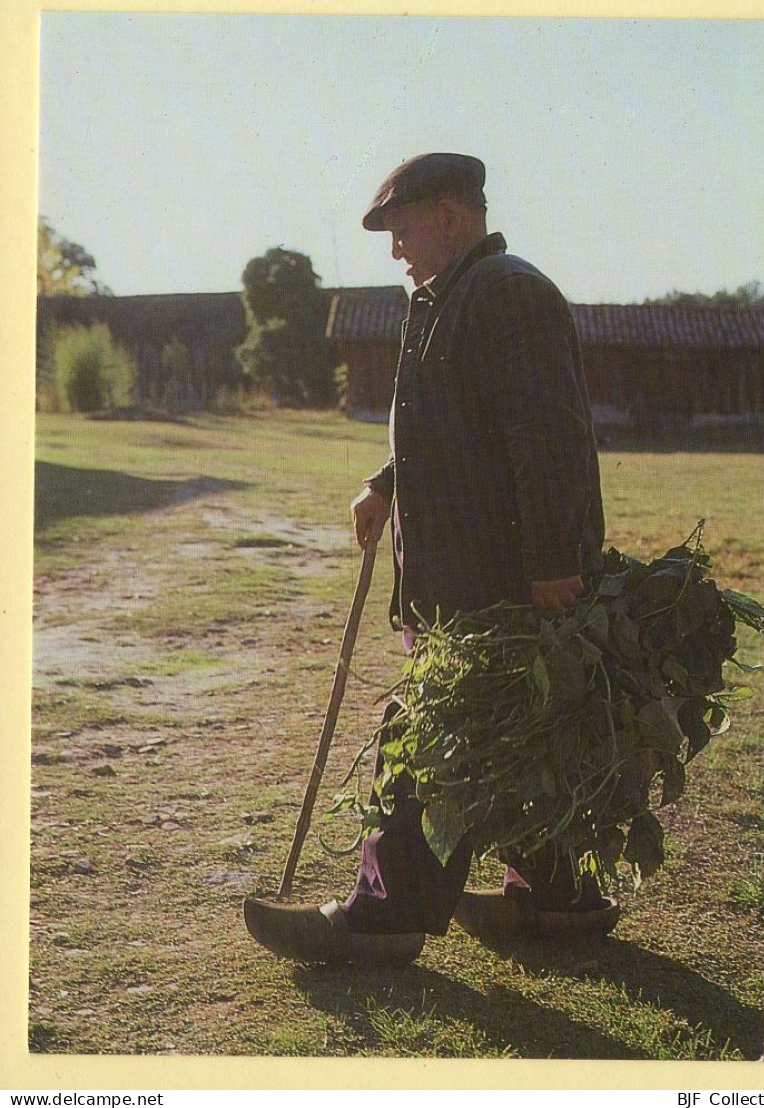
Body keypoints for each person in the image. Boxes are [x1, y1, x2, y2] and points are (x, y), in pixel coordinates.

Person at [244, 153, 613, 967]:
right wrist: (384, 483)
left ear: (451, 215)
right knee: (524, 731)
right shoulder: (447, 300)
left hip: (493, 583)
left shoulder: (507, 292)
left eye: (402, 227)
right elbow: (452, 423)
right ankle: (557, 901)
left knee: (431, 736)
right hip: (460, 577)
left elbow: (547, 436)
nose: (394, 248)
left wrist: (554, 560)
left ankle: (385, 916)